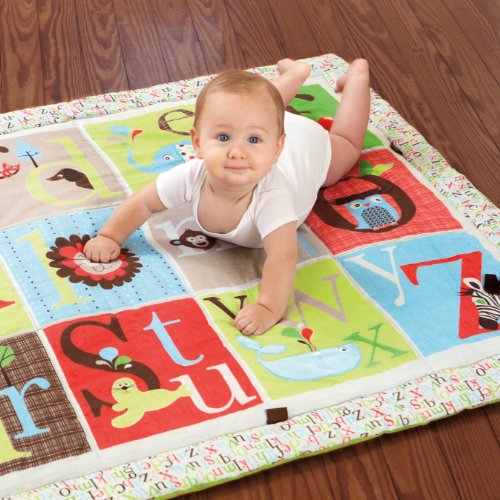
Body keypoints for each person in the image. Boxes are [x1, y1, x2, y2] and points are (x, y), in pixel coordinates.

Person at [83, 58, 371, 335]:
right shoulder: (192, 174)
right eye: (223, 138)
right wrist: (110, 236)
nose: (237, 152)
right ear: (197, 142)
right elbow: (143, 202)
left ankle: (357, 77)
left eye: (252, 141)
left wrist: (268, 307)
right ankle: (295, 75)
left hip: (306, 148)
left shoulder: (273, 197)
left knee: (344, 147)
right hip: (268, 126)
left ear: (276, 149)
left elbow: (282, 255)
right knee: (252, 107)